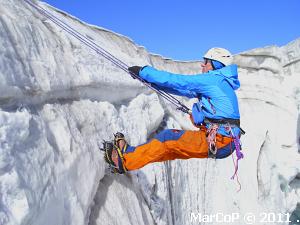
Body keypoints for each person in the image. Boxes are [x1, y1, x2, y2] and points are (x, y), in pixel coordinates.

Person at [102, 47, 244, 174]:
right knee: (169, 148)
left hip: (220, 140)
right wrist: (152, 83)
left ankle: (123, 161)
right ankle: (130, 153)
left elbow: (178, 81)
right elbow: (182, 89)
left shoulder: (214, 80)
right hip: (224, 142)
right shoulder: (220, 82)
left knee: (168, 138)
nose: (203, 64)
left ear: (216, 64)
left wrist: (144, 72)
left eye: (206, 62)